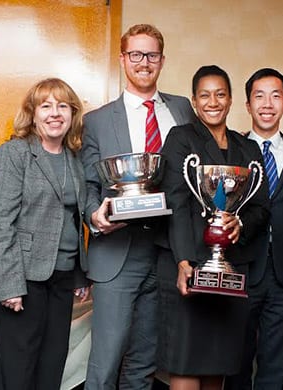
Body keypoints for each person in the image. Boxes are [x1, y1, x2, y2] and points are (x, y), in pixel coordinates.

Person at [80, 23, 196, 389]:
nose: (143, 62)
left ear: (162, 60)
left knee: (145, 363)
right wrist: (95, 217)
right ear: (122, 58)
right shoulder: (96, 121)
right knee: (106, 360)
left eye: (151, 55)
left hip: (166, 252)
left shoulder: (182, 109)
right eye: (135, 54)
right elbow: (87, 186)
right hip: (118, 252)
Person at [157, 65, 270, 390]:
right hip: (190, 269)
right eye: (204, 95)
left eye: (220, 94)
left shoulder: (247, 149)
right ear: (194, 100)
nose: (213, 101)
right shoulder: (181, 139)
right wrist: (182, 261)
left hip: (231, 272)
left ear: (231, 99)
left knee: (217, 369)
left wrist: (241, 223)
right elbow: (175, 204)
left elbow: (263, 208)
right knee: (187, 364)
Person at [0, 78, 91, 389]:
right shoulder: (15, 153)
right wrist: (10, 286)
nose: (54, 113)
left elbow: (73, 218)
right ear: (32, 114)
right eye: (46, 106)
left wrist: (80, 275)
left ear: (73, 114)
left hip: (61, 276)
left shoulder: (75, 158)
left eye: (62, 106)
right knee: (18, 366)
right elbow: (0, 221)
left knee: (52, 361)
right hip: (21, 274)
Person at [224, 68, 283, 390]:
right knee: (237, 363)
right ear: (247, 105)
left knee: (276, 365)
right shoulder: (231, 151)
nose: (267, 104)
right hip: (241, 267)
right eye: (259, 96)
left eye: (276, 96)